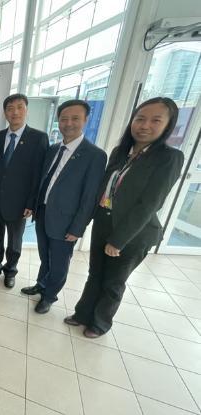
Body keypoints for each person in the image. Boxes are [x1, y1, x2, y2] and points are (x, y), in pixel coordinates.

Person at [65, 97, 184, 338]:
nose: (145, 125)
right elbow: (104, 189)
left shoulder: (169, 158)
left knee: (114, 281)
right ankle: (83, 313)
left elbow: (150, 203)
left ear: (168, 125)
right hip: (104, 221)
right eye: (140, 119)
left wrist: (119, 240)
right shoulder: (121, 152)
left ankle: (100, 323)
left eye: (155, 120)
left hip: (134, 233)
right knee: (95, 273)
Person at [21, 100, 107, 314]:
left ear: (85, 120)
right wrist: (33, 206)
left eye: (75, 118)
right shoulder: (52, 149)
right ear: (58, 121)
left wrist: (78, 228)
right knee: (45, 256)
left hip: (66, 220)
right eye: (64, 118)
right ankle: (41, 284)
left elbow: (89, 197)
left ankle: (49, 296)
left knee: (59, 262)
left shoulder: (94, 155)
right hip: (43, 213)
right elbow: (42, 181)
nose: (68, 123)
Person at [0, 93, 49, 288]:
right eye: (10, 108)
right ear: (5, 113)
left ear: (26, 110)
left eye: (19, 107)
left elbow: (38, 175)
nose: (15, 112)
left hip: (20, 203)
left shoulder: (38, 138)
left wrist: (31, 203)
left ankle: (10, 270)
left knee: (14, 242)